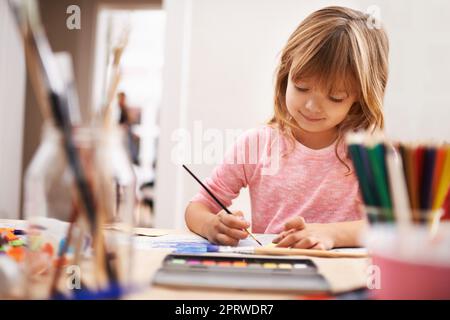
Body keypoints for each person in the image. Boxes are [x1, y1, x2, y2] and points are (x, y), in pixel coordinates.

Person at [185, 6, 389, 249]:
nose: (312, 106)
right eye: (301, 87)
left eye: (335, 97)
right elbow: (198, 208)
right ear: (285, 75)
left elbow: (391, 226)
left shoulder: (371, 152)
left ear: (359, 98)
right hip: (273, 274)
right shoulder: (256, 145)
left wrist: (332, 234)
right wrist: (212, 225)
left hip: (343, 278)